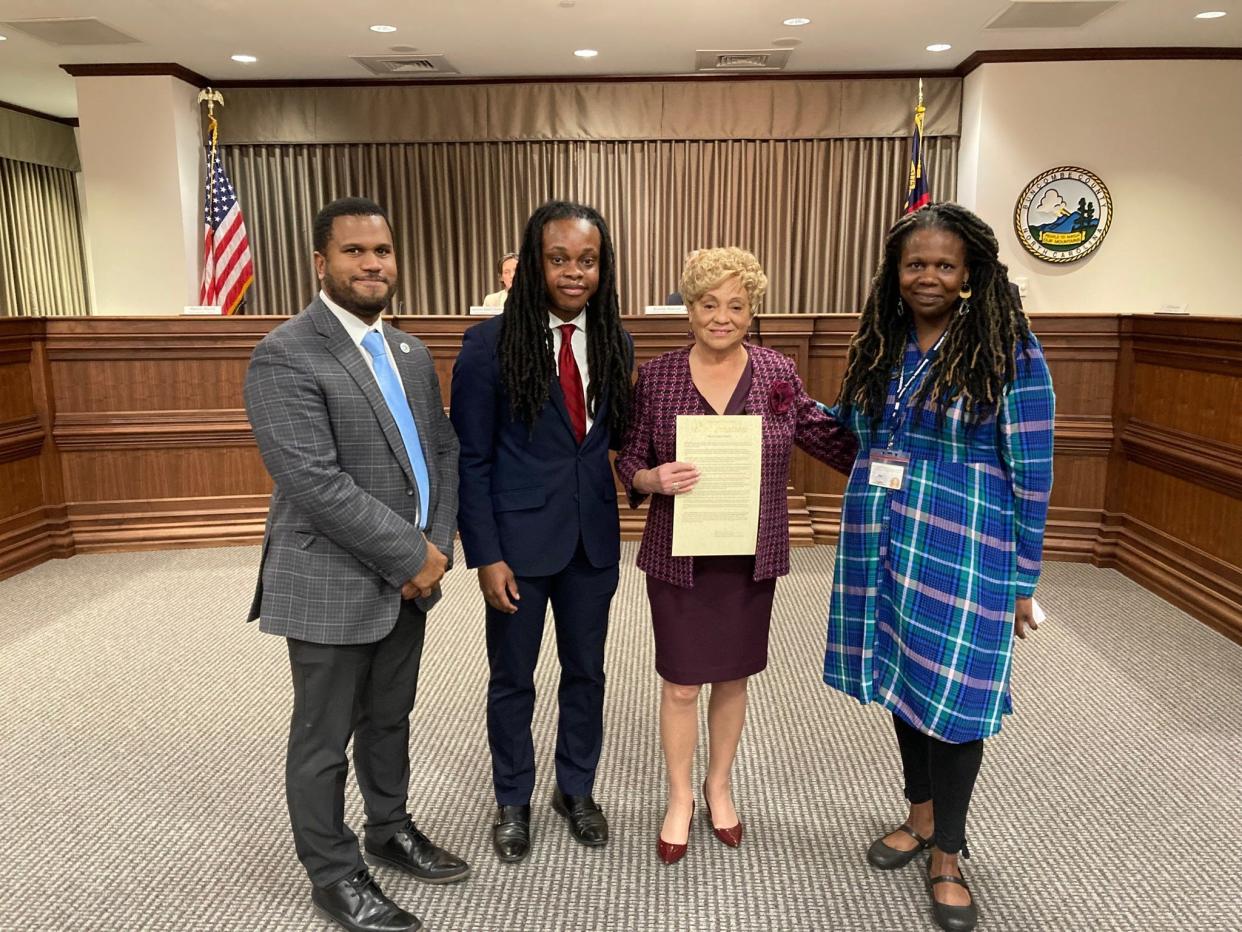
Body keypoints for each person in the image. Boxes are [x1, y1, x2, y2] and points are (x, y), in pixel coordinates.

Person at [823, 203, 1054, 932]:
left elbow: (1035, 470)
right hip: (883, 533)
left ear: (969, 275)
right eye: (914, 263)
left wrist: (1021, 578)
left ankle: (949, 852)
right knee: (905, 676)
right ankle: (920, 818)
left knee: (956, 698)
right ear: (896, 273)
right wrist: (774, 406)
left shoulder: (1009, 349)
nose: (927, 276)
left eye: (943, 265)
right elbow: (852, 430)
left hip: (964, 542)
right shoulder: (884, 344)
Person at [244, 197, 467, 932]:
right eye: (354, 252)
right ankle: (334, 876)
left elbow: (440, 449)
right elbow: (313, 483)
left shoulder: (408, 350)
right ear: (321, 262)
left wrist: (434, 548)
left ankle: (389, 828)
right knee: (323, 739)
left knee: (389, 719)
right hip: (332, 578)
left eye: (383, 251)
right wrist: (414, 554)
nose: (373, 264)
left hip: (411, 579)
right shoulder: (285, 352)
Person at [613, 247, 857, 865]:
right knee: (681, 684)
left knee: (732, 676)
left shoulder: (778, 371)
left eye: (736, 306)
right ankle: (678, 796)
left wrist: (893, 454)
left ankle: (718, 786)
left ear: (752, 311)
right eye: (708, 304)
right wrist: (650, 480)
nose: (721, 317)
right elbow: (628, 457)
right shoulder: (660, 374)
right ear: (689, 308)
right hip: (680, 557)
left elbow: (822, 434)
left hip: (749, 556)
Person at [451, 200, 634, 864]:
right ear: (533, 264)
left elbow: (614, 442)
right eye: (560, 259)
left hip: (593, 543)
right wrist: (486, 555)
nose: (574, 273)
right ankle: (512, 799)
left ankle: (575, 789)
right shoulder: (487, 346)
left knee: (586, 673)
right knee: (514, 678)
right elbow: (471, 460)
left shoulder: (615, 338)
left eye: (587, 260)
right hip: (519, 549)